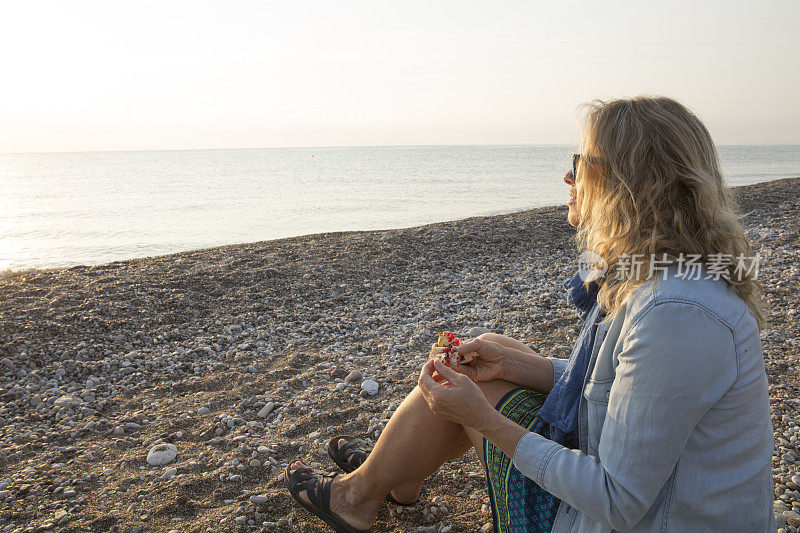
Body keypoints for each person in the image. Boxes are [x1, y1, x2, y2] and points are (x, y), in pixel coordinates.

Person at [284, 96, 776, 532]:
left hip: (625, 519)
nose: (568, 176)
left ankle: (360, 494)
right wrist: (514, 366)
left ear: (626, 183)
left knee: (478, 391)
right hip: (654, 505)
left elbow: (618, 500)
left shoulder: (676, 314)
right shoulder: (669, 279)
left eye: (580, 162)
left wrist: (484, 418)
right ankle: (396, 475)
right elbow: (629, 390)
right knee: (499, 350)